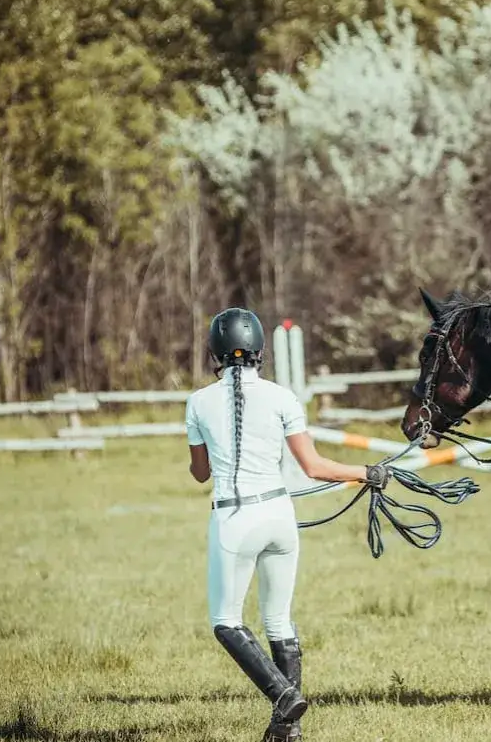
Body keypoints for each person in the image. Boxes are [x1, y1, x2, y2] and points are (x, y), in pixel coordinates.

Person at [186, 307, 389, 741]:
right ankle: (287, 730)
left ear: (214, 354)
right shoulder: (282, 397)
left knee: (225, 621)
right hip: (280, 516)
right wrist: (365, 472)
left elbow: (201, 474)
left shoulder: (198, 402)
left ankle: (282, 696)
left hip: (234, 517)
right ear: (260, 351)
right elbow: (314, 466)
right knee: (278, 620)